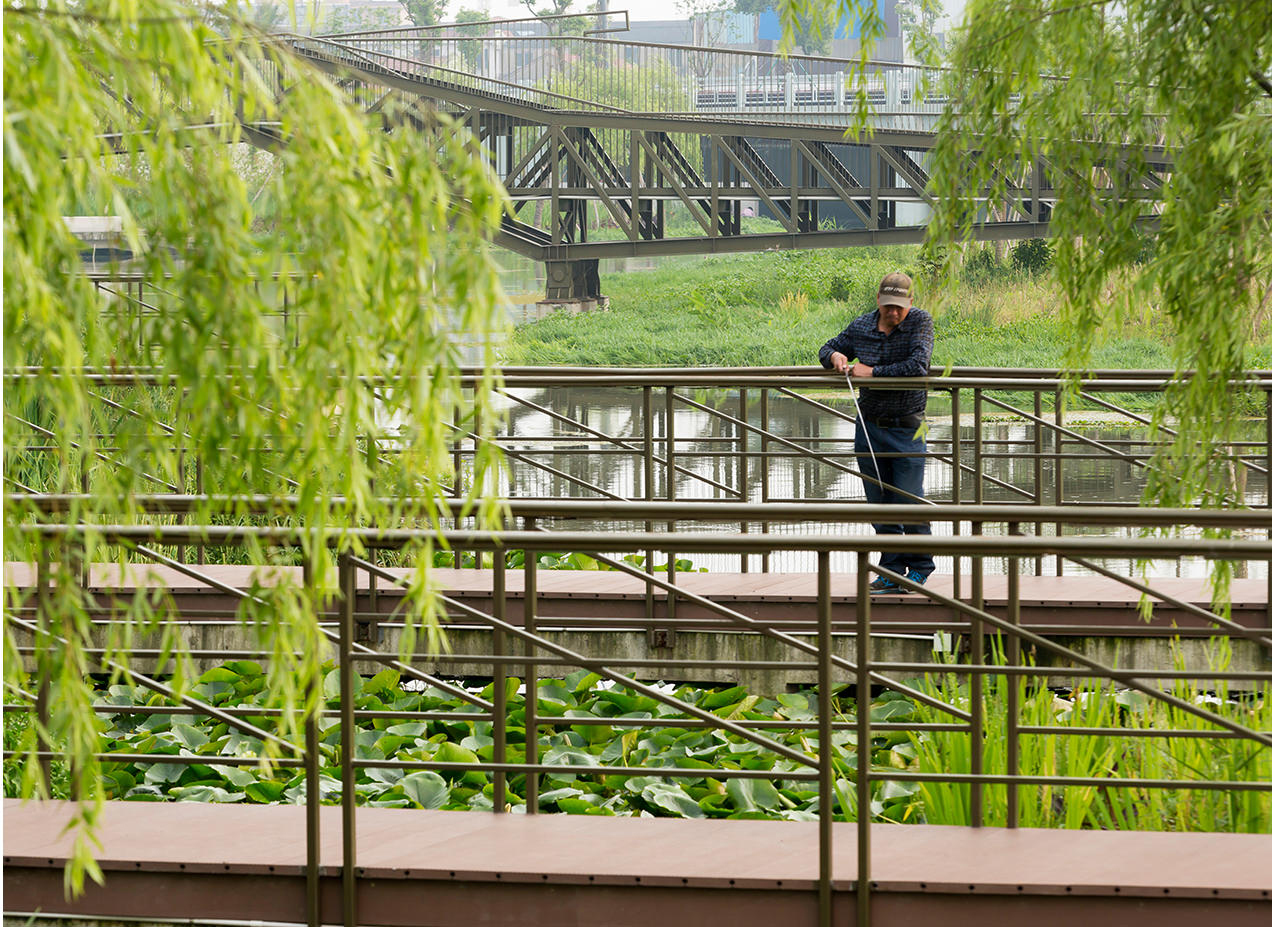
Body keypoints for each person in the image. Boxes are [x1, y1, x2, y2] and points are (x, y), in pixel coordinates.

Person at [818, 271, 935, 594]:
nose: (893, 313)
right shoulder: (861, 326)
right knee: (879, 503)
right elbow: (826, 347)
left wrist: (872, 372)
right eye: (888, 306)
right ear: (878, 302)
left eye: (899, 306)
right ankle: (891, 569)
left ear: (910, 302)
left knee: (907, 500)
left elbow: (918, 364)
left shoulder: (920, 323)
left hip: (908, 426)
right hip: (869, 427)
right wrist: (835, 357)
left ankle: (921, 568)